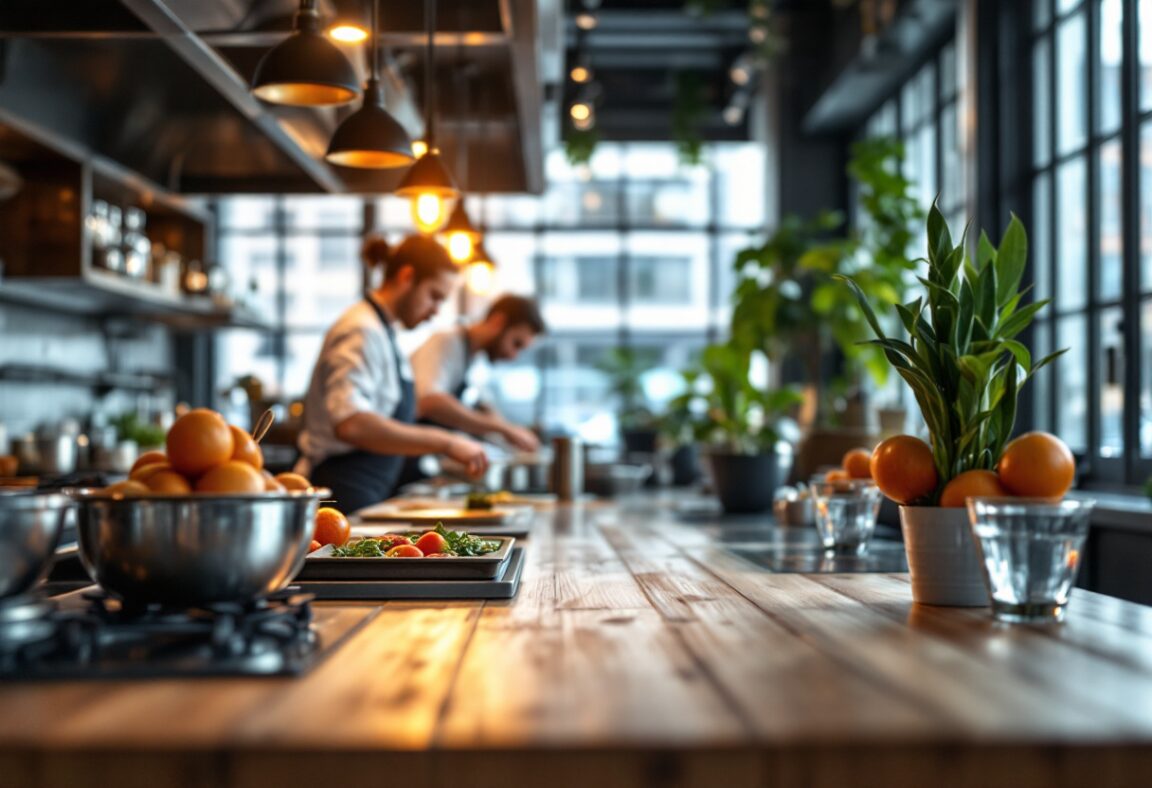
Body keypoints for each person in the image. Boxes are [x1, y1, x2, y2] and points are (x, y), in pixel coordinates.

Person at [295, 234, 488, 513]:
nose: (435, 311)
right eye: (434, 296)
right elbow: (351, 423)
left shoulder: (384, 332)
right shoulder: (361, 330)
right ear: (407, 276)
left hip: (366, 493)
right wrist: (446, 442)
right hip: (341, 496)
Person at [409, 294, 546, 453]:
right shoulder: (446, 342)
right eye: (516, 343)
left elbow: (481, 407)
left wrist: (507, 429)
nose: (513, 356)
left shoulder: (473, 358)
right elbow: (429, 401)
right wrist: (503, 428)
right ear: (498, 321)